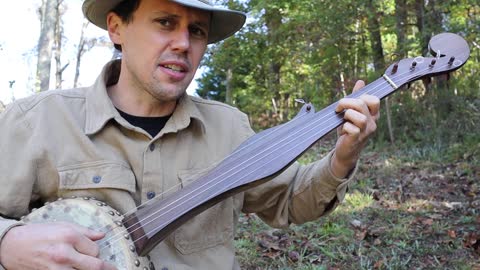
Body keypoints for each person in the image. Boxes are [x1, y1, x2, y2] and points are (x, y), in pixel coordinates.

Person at [0, 0, 380, 269]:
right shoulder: (39, 121)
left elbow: (290, 202)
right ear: (117, 28)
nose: (184, 43)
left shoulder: (229, 127)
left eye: (196, 30)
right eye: (165, 22)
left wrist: (343, 155)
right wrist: (7, 242)